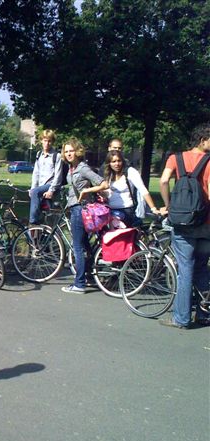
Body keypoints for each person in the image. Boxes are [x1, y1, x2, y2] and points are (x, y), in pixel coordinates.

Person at [157, 123, 210, 329]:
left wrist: (169, 205)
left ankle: (182, 317)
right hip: (206, 223)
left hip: (182, 222)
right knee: (202, 268)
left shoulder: (175, 158)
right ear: (202, 140)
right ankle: (204, 315)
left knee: (185, 268)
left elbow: (163, 181)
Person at [61, 138, 103, 294]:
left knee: (77, 247)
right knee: (85, 245)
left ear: (77, 151)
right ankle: (89, 276)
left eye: (71, 150)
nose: (68, 154)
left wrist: (87, 191)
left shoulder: (83, 168)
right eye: (66, 151)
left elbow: (102, 182)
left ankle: (79, 283)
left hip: (80, 209)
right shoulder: (72, 168)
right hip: (74, 207)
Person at [78, 150, 159, 227]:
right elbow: (108, 193)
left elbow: (143, 190)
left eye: (119, 161)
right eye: (113, 162)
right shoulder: (108, 174)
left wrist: (153, 208)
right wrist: (101, 193)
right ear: (109, 163)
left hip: (126, 210)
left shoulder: (130, 172)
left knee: (115, 231)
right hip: (110, 209)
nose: (117, 164)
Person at [29, 129, 63, 225]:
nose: (47, 143)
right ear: (41, 141)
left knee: (48, 217)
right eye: (45, 140)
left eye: (49, 141)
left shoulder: (57, 156)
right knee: (41, 213)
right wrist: (33, 188)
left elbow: (58, 176)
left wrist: (51, 190)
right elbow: (36, 173)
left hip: (51, 185)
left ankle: (32, 221)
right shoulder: (39, 154)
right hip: (41, 186)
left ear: (52, 142)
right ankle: (37, 233)